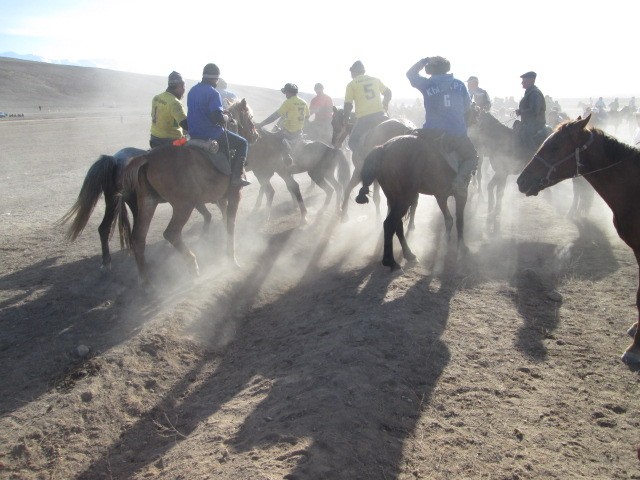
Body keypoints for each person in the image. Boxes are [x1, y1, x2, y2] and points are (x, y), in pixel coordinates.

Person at [406, 56, 478, 196]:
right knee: (472, 157)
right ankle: (459, 180)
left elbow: (410, 74)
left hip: (431, 133)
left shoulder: (426, 83)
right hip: (456, 134)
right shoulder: (459, 84)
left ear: (430, 69)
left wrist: (424, 61)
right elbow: (466, 108)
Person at [186, 63, 250, 187]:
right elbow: (217, 118)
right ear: (215, 78)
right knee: (243, 143)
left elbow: (201, 111)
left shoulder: (192, 91)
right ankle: (236, 177)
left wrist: (220, 113)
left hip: (193, 134)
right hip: (212, 134)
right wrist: (226, 117)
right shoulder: (213, 93)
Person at [341, 60, 392, 155]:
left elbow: (348, 105)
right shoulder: (375, 80)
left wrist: (345, 121)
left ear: (354, 72)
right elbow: (388, 93)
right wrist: (385, 106)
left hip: (364, 119)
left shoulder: (351, 84)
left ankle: (365, 159)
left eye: (351, 72)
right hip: (381, 115)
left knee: (352, 142)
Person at [255, 83, 309, 166]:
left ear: (289, 92)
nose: (285, 95)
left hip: (287, 132)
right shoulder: (304, 102)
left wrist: (261, 124)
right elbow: (307, 116)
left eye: (286, 92)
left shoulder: (288, 102)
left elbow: (275, 116)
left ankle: (285, 156)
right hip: (299, 132)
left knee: (270, 138)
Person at [149, 71, 188, 148]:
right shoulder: (175, 103)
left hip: (154, 139)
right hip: (170, 143)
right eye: (184, 86)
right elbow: (186, 125)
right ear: (180, 86)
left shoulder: (156, 98)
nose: (184, 90)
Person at [515, 71, 547, 153]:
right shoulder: (529, 92)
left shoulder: (534, 93)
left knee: (526, 133)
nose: (522, 82)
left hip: (536, 124)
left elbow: (535, 110)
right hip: (529, 123)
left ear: (530, 81)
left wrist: (521, 111)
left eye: (524, 80)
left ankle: (533, 154)